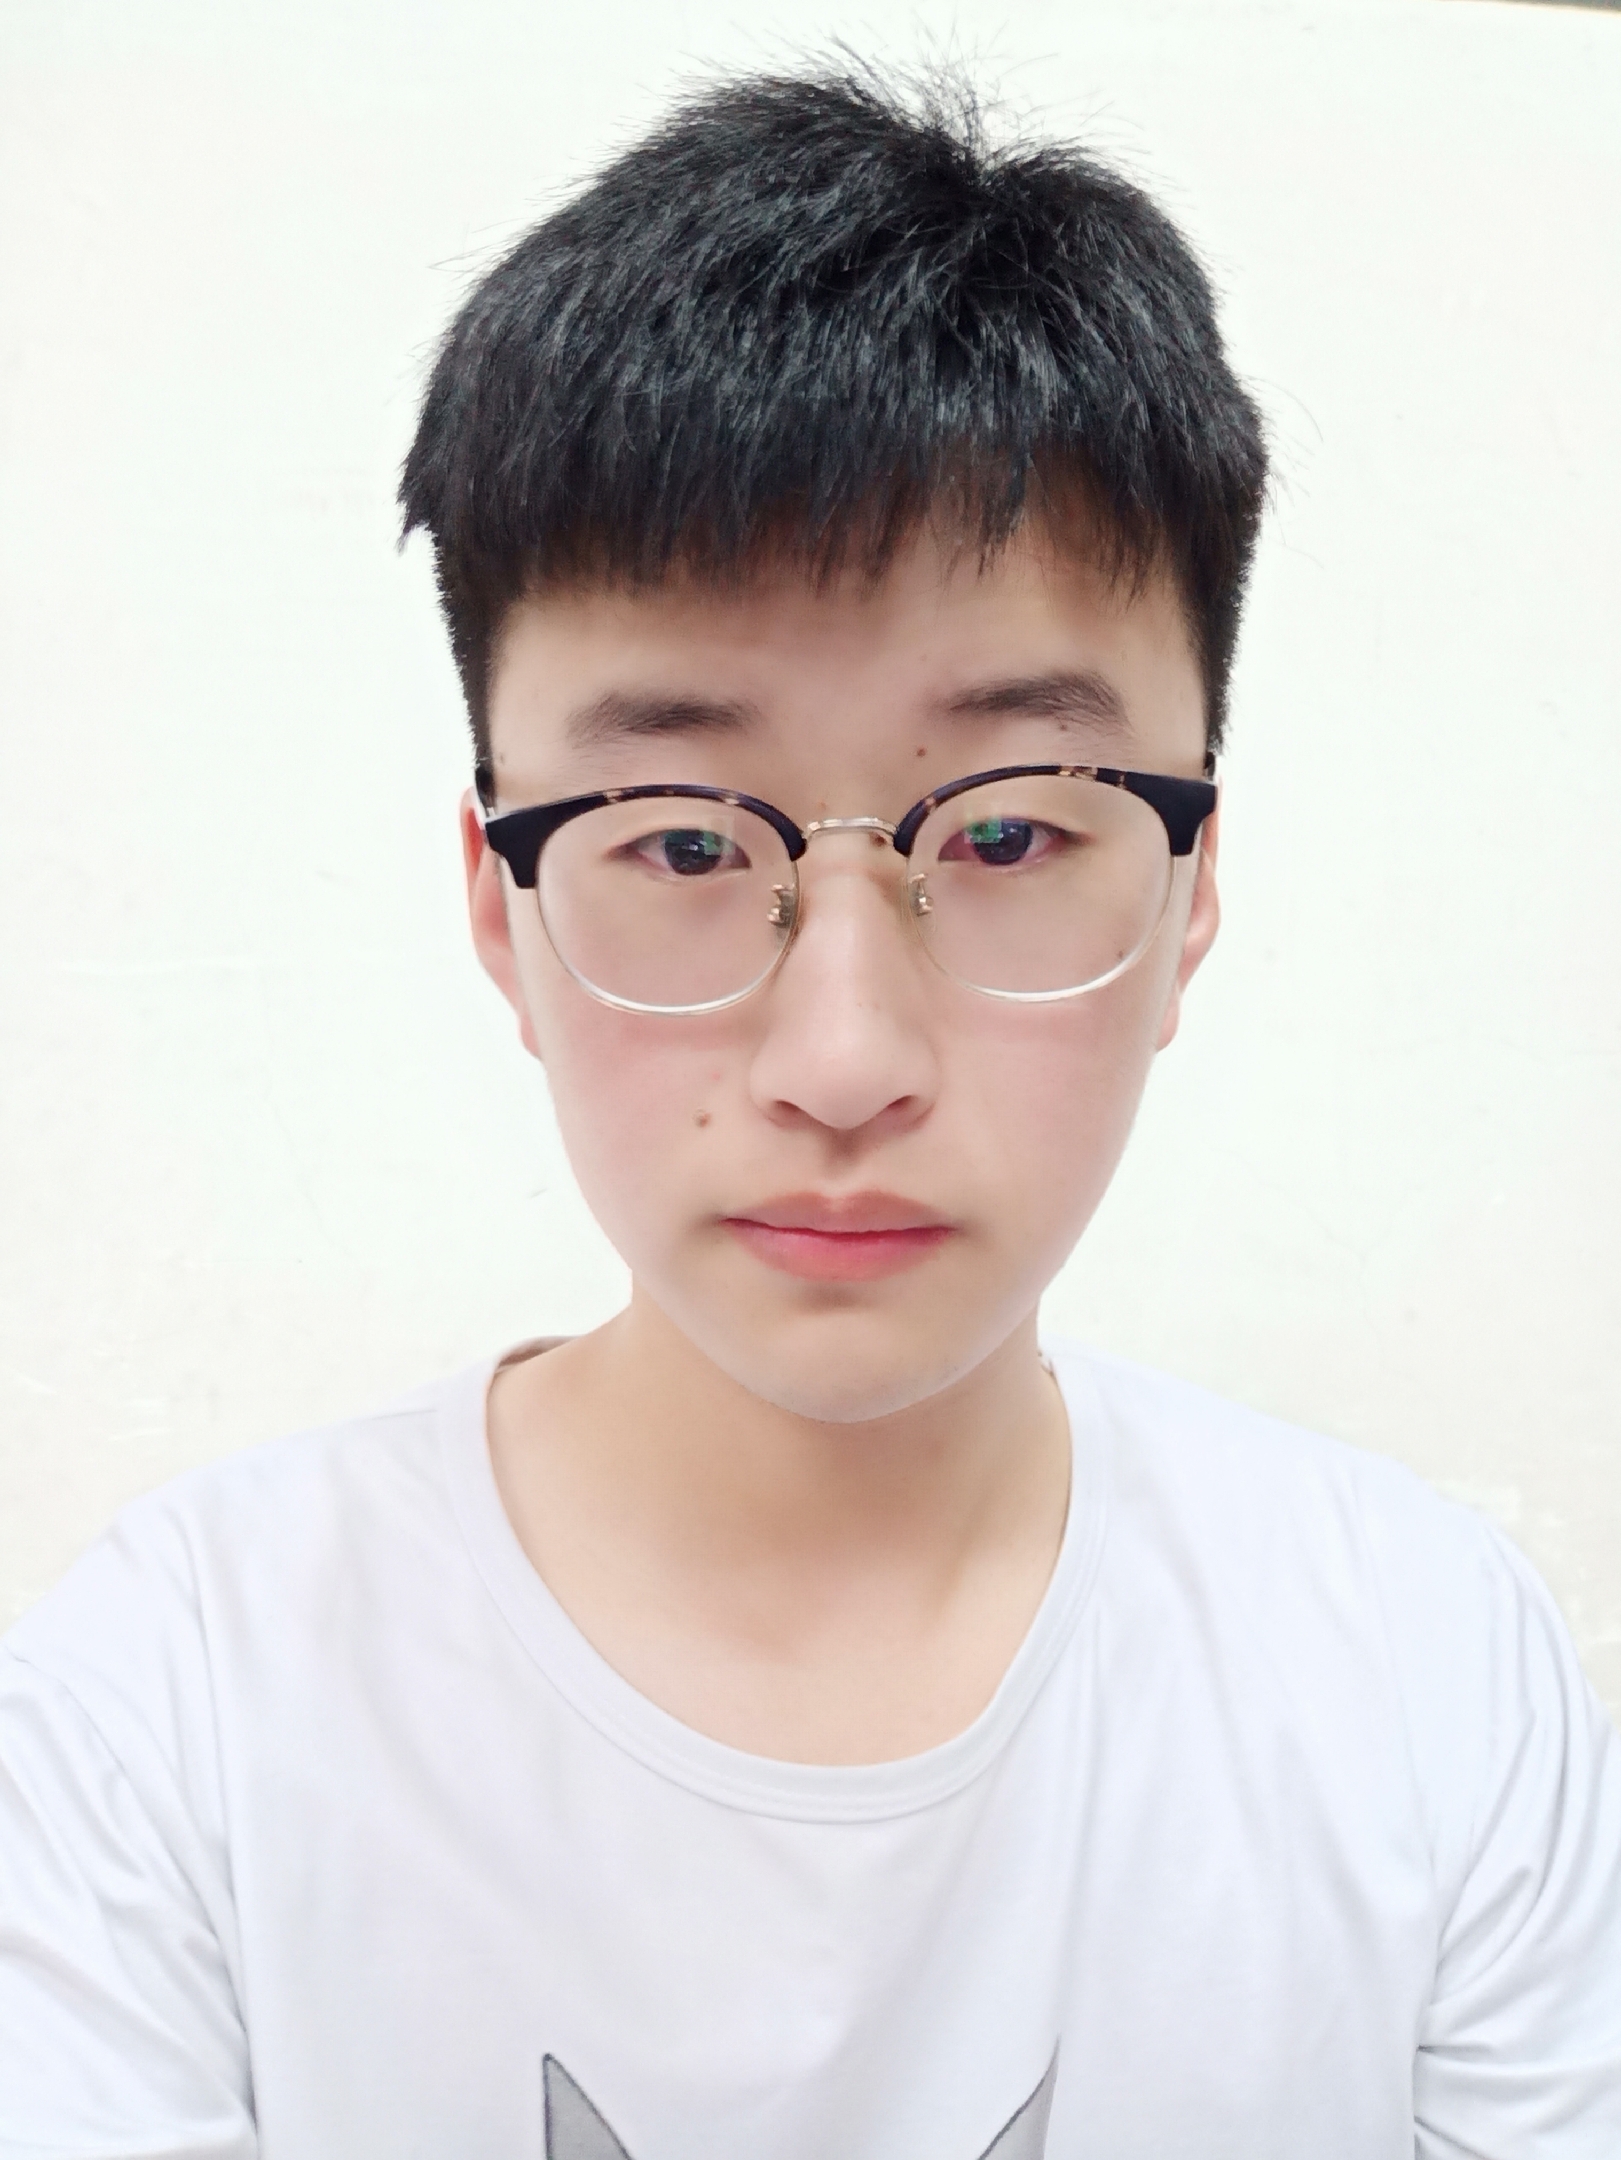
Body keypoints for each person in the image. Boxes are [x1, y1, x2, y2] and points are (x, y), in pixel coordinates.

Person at [1, 62, 1618, 2160]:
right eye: (681, 845)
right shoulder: (176, 1708)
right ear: (500, 908)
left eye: (1012, 833)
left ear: (1191, 891)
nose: (842, 1057)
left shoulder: (1427, 1679)